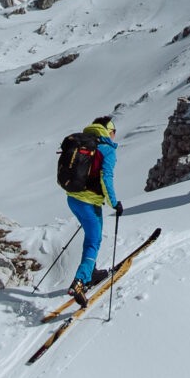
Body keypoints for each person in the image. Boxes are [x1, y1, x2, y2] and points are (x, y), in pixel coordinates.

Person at [57, 113, 122, 300]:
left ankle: (90, 272)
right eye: (114, 131)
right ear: (108, 131)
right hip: (89, 202)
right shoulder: (107, 150)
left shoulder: (83, 142)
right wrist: (115, 204)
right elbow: (106, 178)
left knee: (92, 235)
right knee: (94, 240)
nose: (114, 135)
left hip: (73, 199)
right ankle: (80, 280)